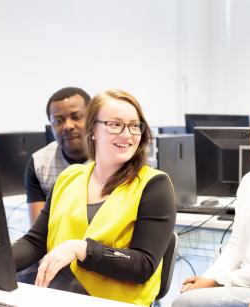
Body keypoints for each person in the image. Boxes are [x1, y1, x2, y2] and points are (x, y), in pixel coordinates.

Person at [12, 89, 176, 306]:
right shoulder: (69, 178)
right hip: (61, 295)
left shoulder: (154, 185)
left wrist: (81, 249)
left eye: (135, 125)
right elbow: (35, 242)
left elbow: (143, 265)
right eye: (115, 124)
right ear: (93, 130)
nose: (127, 134)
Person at [172, 90, 250, 307]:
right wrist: (208, 278)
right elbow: (235, 245)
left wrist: (219, 281)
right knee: (186, 296)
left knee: (187, 304)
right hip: (243, 281)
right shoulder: (249, 181)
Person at [25, 87, 91, 225]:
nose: (67, 126)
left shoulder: (112, 157)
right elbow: (37, 232)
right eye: (58, 121)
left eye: (76, 117)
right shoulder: (39, 164)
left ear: (92, 118)